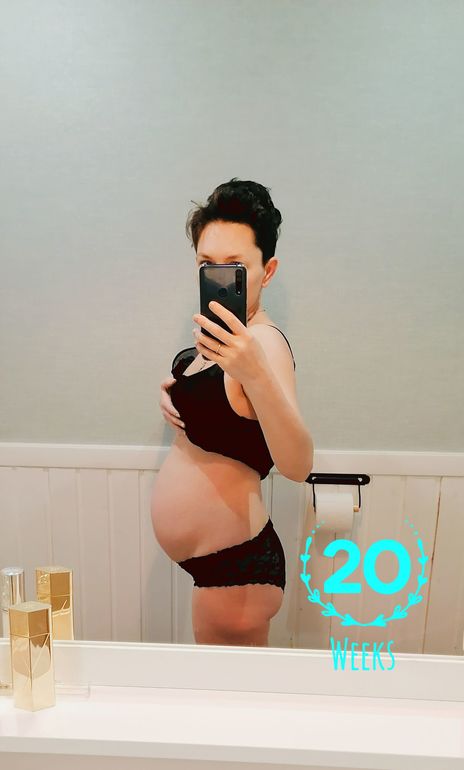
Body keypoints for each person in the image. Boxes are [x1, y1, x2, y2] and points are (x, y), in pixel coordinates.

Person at [151, 178, 313, 646]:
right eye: (207, 264)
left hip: (235, 571)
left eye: (235, 266)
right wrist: (174, 393)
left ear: (268, 271)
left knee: (228, 695)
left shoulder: (262, 343)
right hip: (222, 568)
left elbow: (298, 464)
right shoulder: (219, 339)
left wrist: (256, 374)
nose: (218, 276)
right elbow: (225, 414)